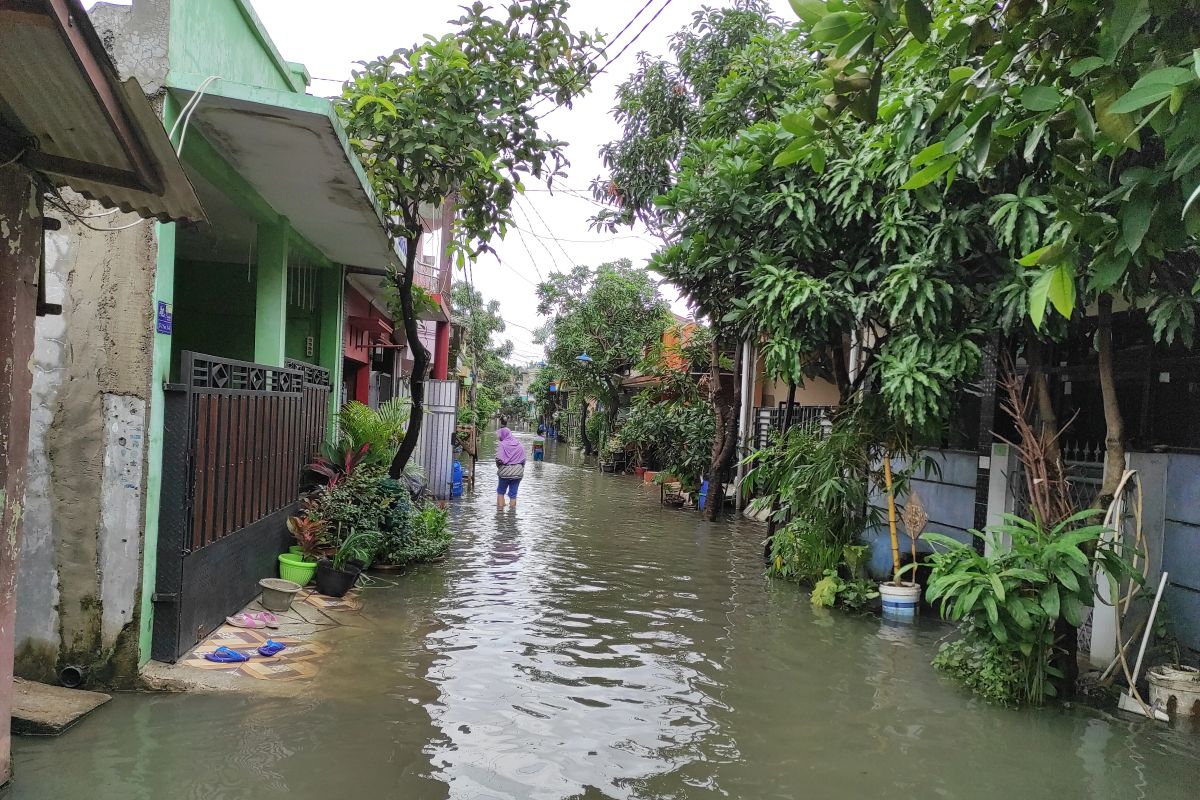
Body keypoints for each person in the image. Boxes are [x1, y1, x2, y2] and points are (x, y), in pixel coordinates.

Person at [495, 424, 526, 510]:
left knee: (501, 492)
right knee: (513, 494)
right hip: (517, 473)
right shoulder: (519, 444)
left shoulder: (502, 444)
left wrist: (499, 467)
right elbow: (523, 460)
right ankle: (512, 516)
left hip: (504, 472)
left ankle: (500, 514)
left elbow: (499, 459)